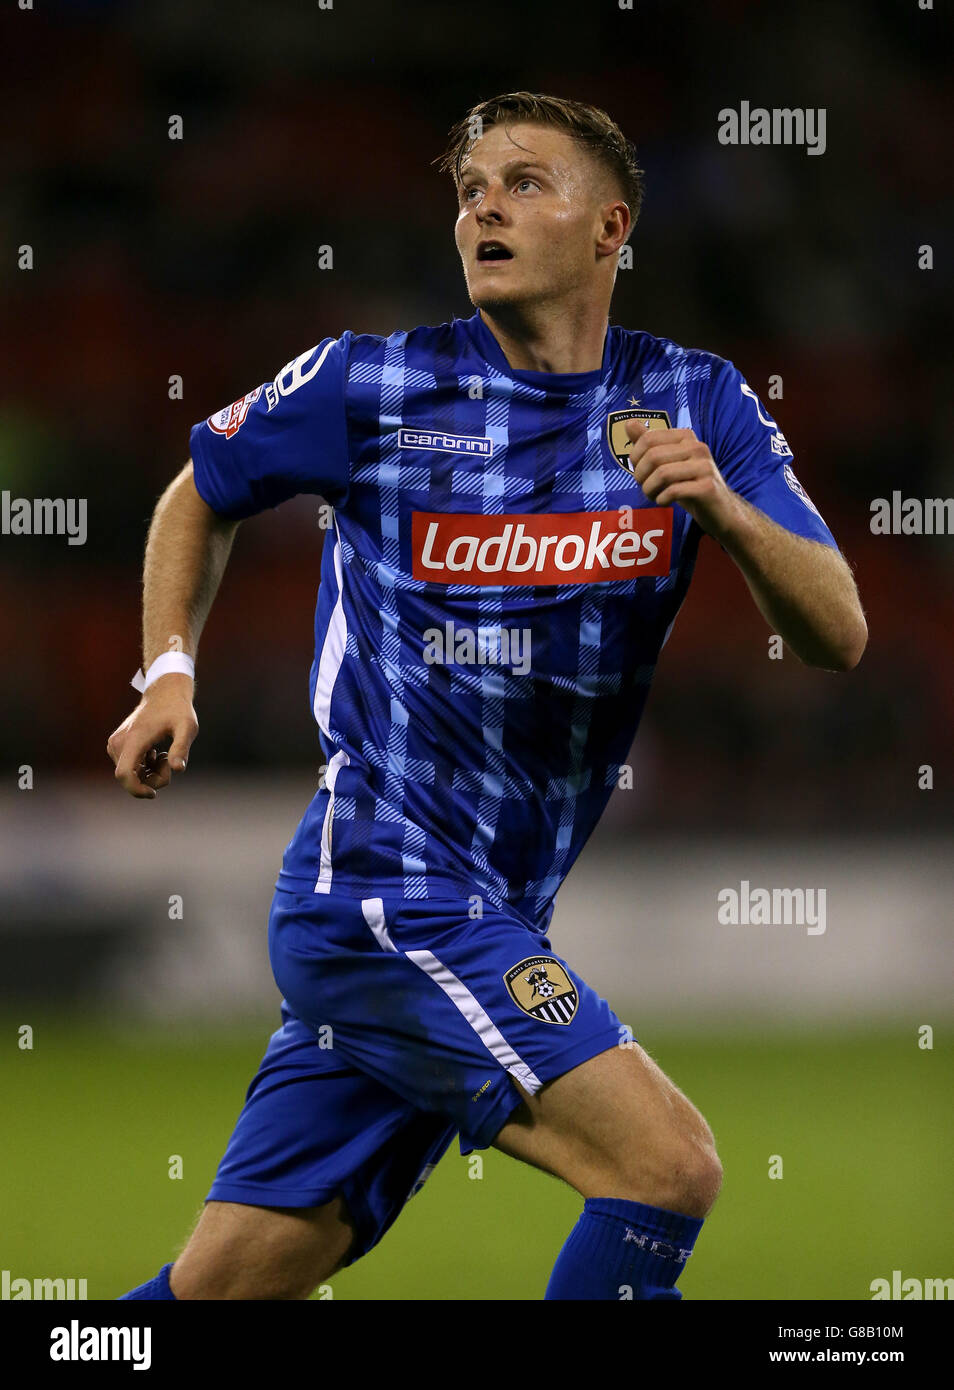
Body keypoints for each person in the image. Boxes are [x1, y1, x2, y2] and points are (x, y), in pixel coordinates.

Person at [108, 92, 867, 1301]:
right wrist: (168, 673)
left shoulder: (699, 400)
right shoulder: (372, 383)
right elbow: (199, 488)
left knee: (228, 1286)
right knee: (665, 1167)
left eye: (523, 182)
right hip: (384, 889)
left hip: (490, 907)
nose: (484, 208)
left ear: (611, 225)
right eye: (470, 190)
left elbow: (838, 633)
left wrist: (725, 508)